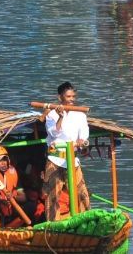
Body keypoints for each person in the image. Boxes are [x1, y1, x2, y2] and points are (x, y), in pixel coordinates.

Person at [43, 82, 91, 221]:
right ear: (60, 97)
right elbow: (54, 133)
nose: (71, 99)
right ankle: (52, 225)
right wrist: (61, 117)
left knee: (82, 194)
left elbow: (84, 134)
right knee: (53, 195)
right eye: (68, 96)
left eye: (73, 96)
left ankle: (85, 220)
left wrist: (82, 141)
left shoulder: (80, 115)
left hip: (72, 159)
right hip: (56, 159)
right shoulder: (51, 114)